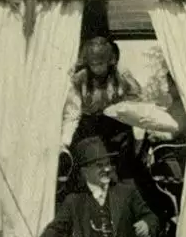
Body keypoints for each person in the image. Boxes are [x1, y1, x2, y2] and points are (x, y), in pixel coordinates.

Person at [60, 36, 144, 187]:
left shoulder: (123, 76)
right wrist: (65, 140)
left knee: (124, 169)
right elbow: (72, 112)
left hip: (117, 126)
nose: (97, 68)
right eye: (93, 64)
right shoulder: (79, 79)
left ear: (110, 61)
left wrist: (136, 132)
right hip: (89, 126)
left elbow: (136, 103)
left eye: (101, 64)